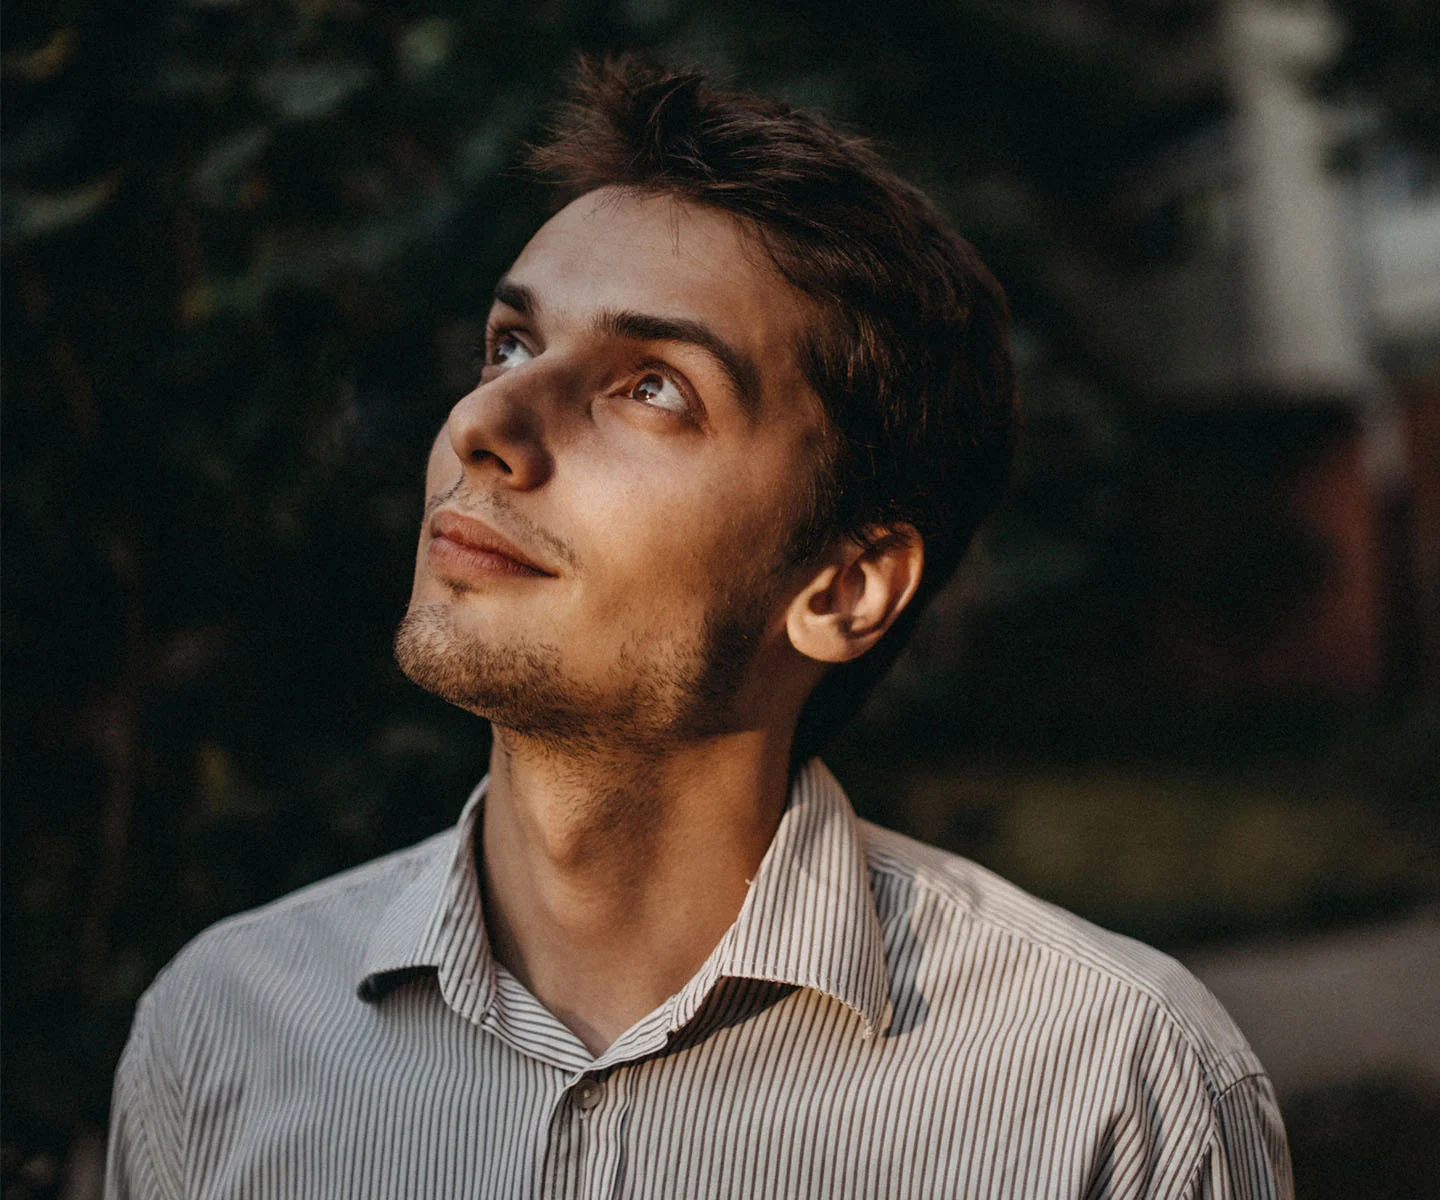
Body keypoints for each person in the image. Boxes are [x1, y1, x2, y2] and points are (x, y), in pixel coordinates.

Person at [105, 58, 1292, 1199]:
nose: (486, 422)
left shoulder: (1116, 1088)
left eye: (653, 386)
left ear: (846, 588)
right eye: (511, 343)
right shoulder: (221, 1035)